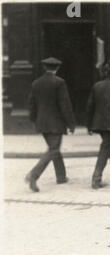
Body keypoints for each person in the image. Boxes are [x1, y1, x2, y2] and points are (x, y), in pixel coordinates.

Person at [25, 57, 76, 192]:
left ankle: (61, 176)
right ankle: (33, 175)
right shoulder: (59, 82)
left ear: (44, 68)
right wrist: (71, 124)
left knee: (54, 148)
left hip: (42, 122)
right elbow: (65, 105)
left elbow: (31, 104)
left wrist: (34, 119)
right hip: (56, 123)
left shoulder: (36, 83)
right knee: (53, 150)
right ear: (57, 68)